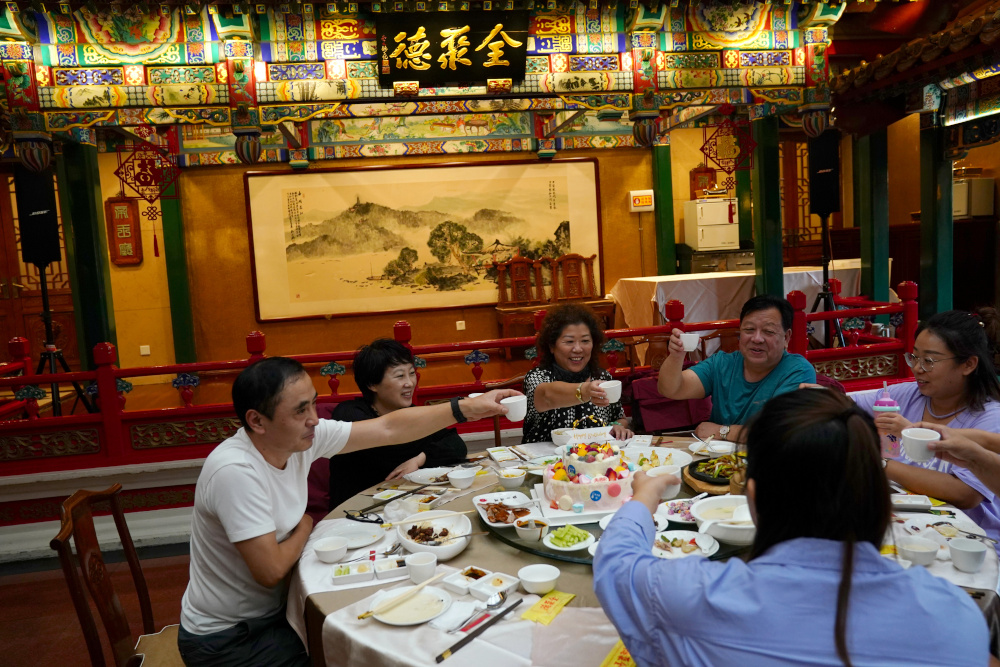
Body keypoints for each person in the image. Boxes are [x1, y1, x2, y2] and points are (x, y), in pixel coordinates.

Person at [594, 389, 988, 666]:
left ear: (753, 499)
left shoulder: (692, 595)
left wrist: (645, 494)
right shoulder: (954, 616)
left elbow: (615, 561)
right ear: (880, 498)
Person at [178, 357, 516, 667]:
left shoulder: (296, 440)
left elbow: (388, 428)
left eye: (313, 402)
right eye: (300, 410)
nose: (315, 418)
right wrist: (307, 522)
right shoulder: (235, 471)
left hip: (275, 612)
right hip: (230, 638)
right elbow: (270, 569)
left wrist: (467, 408)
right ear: (257, 420)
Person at [852, 310, 1000, 544]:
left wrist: (878, 462)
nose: (917, 368)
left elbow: (965, 494)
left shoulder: (990, 418)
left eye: (929, 360)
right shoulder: (906, 395)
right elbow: (848, 404)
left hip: (968, 540)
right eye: (914, 357)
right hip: (913, 528)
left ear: (968, 364)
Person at [306, 339, 467, 519]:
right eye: (399, 376)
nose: (410, 383)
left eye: (411, 373)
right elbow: (391, 448)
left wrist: (420, 459)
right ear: (372, 384)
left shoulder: (411, 412)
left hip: (402, 510)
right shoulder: (350, 414)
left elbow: (456, 444)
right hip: (356, 515)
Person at [656, 294, 816, 442]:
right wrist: (676, 356)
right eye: (749, 330)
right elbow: (671, 389)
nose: (757, 338)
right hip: (718, 462)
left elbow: (776, 432)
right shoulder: (722, 364)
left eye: (768, 331)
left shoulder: (798, 371)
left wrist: (721, 431)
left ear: (786, 337)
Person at [521, 303, 632, 443]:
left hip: (594, 457)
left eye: (585, 341)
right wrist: (586, 391)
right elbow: (547, 395)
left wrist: (617, 426)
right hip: (545, 460)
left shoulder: (602, 377)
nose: (578, 349)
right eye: (569, 342)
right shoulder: (537, 377)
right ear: (551, 346)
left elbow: (618, 417)